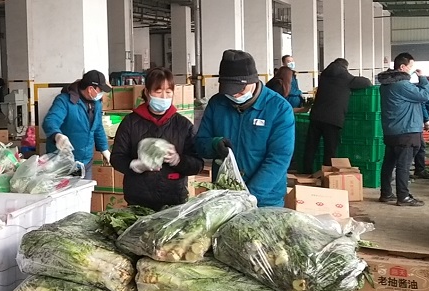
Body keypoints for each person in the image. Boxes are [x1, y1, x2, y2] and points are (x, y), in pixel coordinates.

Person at [195, 50, 295, 207]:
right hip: (224, 195)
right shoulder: (217, 104)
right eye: (229, 90)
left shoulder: (278, 108)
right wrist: (214, 144)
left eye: (240, 89)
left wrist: (249, 196)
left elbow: (279, 158)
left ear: (253, 80)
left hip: (265, 200)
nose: (234, 95)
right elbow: (200, 143)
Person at [110, 68, 204, 210]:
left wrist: (178, 160)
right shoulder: (130, 123)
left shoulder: (183, 125)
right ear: (147, 92)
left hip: (174, 202)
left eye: (168, 92)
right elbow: (117, 157)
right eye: (158, 92)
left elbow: (198, 164)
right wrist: (135, 165)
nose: (163, 97)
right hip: (138, 202)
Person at [376, 52, 429, 206]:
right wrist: (423, 78)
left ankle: (386, 193)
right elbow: (424, 95)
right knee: (403, 165)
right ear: (402, 67)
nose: (412, 70)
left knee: (389, 164)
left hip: (391, 130)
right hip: (406, 131)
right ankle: (403, 196)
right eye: (411, 66)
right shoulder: (402, 85)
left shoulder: (385, 85)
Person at [304, 58, 372, 172]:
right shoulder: (346, 77)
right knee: (330, 150)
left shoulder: (324, 75)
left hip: (316, 116)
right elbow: (366, 82)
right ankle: (326, 174)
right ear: (345, 67)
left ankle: (306, 172)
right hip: (332, 119)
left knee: (311, 147)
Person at [42, 70, 112, 180]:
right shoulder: (64, 101)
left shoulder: (97, 104)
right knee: (66, 191)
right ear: (90, 89)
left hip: (86, 162)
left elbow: (98, 127)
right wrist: (57, 135)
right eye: (100, 90)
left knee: (85, 191)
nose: (101, 93)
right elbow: (50, 121)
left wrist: (104, 149)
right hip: (63, 163)